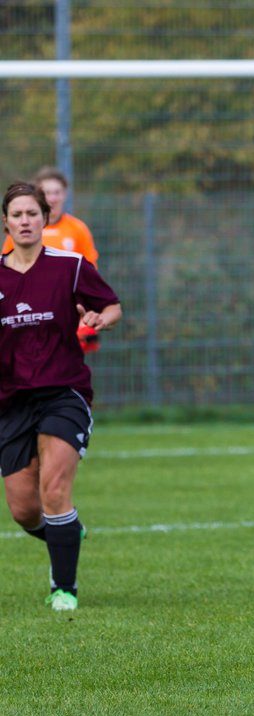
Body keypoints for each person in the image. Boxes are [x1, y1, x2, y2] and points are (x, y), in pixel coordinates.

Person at [1, 181, 122, 611]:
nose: (25, 221)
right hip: (11, 400)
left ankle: (63, 588)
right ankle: (67, 529)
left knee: (54, 490)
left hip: (63, 392)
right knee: (24, 510)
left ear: (44, 218)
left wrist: (99, 319)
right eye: (17, 214)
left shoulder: (69, 265)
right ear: (6, 222)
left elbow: (112, 306)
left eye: (32, 213)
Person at [1, 167, 99, 266]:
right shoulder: (24, 229)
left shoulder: (78, 229)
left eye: (57, 192)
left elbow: (90, 268)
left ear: (65, 195)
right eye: (47, 193)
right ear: (38, 196)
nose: (52, 198)